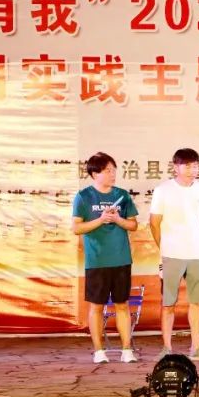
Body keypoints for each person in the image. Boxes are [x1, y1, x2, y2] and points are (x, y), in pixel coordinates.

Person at [150, 148, 199, 361]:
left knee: (197, 302)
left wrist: (196, 239)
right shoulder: (163, 190)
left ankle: (196, 348)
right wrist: (165, 247)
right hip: (171, 253)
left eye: (196, 165)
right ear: (176, 167)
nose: (192, 170)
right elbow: (154, 223)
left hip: (198, 253)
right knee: (168, 303)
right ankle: (166, 348)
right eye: (187, 165)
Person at [72, 152, 139, 364]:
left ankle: (127, 350)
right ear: (95, 174)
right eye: (108, 170)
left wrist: (117, 219)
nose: (113, 174)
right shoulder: (83, 197)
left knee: (122, 305)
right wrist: (101, 219)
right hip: (97, 261)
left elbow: (133, 225)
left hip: (121, 259)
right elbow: (77, 228)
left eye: (113, 170)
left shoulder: (122, 195)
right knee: (97, 307)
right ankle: (99, 352)